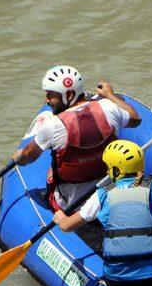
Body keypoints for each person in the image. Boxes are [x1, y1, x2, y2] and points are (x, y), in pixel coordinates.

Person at [52, 126, 152, 286]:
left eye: (108, 167)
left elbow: (66, 226)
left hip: (117, 283)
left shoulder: (101, 195)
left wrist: (60, 217)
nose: (106, 171)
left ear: (115, 170)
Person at [11, 65, 141, 211]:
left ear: (70, 95)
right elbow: (136, 119)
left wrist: (18, 157)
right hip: (109, 192)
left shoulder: (53, 125)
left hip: (71, 204)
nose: (46, 101)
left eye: (50, 95)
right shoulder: (108, 107)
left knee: (51, 171)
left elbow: (28, 156)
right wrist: (110, 95)